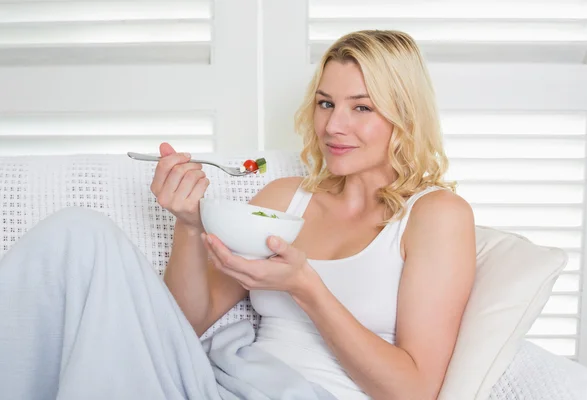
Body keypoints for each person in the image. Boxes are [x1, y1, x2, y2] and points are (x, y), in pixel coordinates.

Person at [0, 30, 476, 400]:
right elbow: (187, 322)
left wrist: (306, 288)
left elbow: (413, 391)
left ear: (405, 117)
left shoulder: (435, 216)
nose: (334, 125)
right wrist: (191, 224)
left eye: (362, 108)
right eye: (326, 103)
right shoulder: (285, 198)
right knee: (78, 236)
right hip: (222, 383)